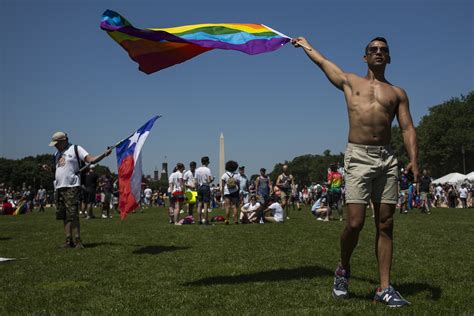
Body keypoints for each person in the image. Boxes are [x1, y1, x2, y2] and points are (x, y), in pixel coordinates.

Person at [293, 36, 418, 307]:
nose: (378, 53)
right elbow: (324, 62)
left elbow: (408, 128)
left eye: (384, 50)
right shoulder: (350, 82)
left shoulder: (397, 93)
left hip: (387, 159)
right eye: (373, 50)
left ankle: (384, 287)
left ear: (389, 58)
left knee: (386, 223)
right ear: (365, 57)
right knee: (354, 223)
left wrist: (414, 160)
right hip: (358, 157)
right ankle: (343, 269)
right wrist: (306, 45)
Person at [42, 131, 111, 248]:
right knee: (63, 215)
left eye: (56, 143)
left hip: (71, 186)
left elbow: (91, 160)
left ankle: (78, 240)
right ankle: (68, 241)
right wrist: (49, 169)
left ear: (64, 140)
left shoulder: (75, 148)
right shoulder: (56, 154)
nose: (55, 145)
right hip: (59, 187)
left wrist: (104, 154)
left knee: (72, 215)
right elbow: (59, 170)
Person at [195, 156, 214, 225]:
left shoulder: (197, 170)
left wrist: (196, 188)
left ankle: (199, 220)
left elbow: (195, 181)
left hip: (199, 187)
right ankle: (206, 220)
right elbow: (209, 180)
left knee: (199, 204)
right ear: (206, 162)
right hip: (205, 186)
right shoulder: (207, 170)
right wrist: (212, 180)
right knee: (206, 204)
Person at [221, 160, 240, 225]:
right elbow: (238, 184)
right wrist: (238, 191)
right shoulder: (237, 175)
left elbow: (223, 185)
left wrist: (222, 193)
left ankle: (227, 220)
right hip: (235, 191)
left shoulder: (224, 175)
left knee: (228, 206)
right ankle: (236, 220)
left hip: (227, 192)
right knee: (235, 206)